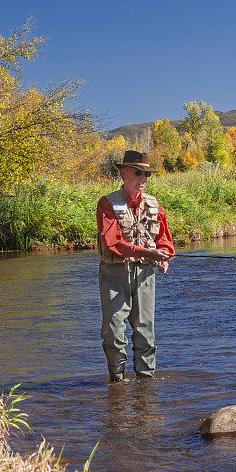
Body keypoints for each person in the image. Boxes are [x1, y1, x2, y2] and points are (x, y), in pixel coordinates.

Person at [96, 150, 175, 383]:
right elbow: (112, 243)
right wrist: (148, 252)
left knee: (145, 332)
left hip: (145, 275)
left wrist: (163, 258)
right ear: (123, 173)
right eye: (138, 172)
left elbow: (165, 239)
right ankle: (117, 381)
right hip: (114, 275)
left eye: (147, 174)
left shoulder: (153, 204)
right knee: (113, 333)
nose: (143, 178)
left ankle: (146, 383)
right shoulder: (107, 203)